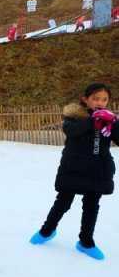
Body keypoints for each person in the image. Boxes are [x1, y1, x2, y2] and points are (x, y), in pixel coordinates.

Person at [30, 84, 118, 260]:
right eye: (95, 98)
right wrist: (93, 120)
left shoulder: (109, 120)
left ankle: (86, 242)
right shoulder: (74, 116)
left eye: (104, 99)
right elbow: (71, 131)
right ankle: (47, 230)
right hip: (74, 168)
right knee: (63, 202)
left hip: (98, 170)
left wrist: (114, 124)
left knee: (92, 206)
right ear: (85, 99)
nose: (100, 102)